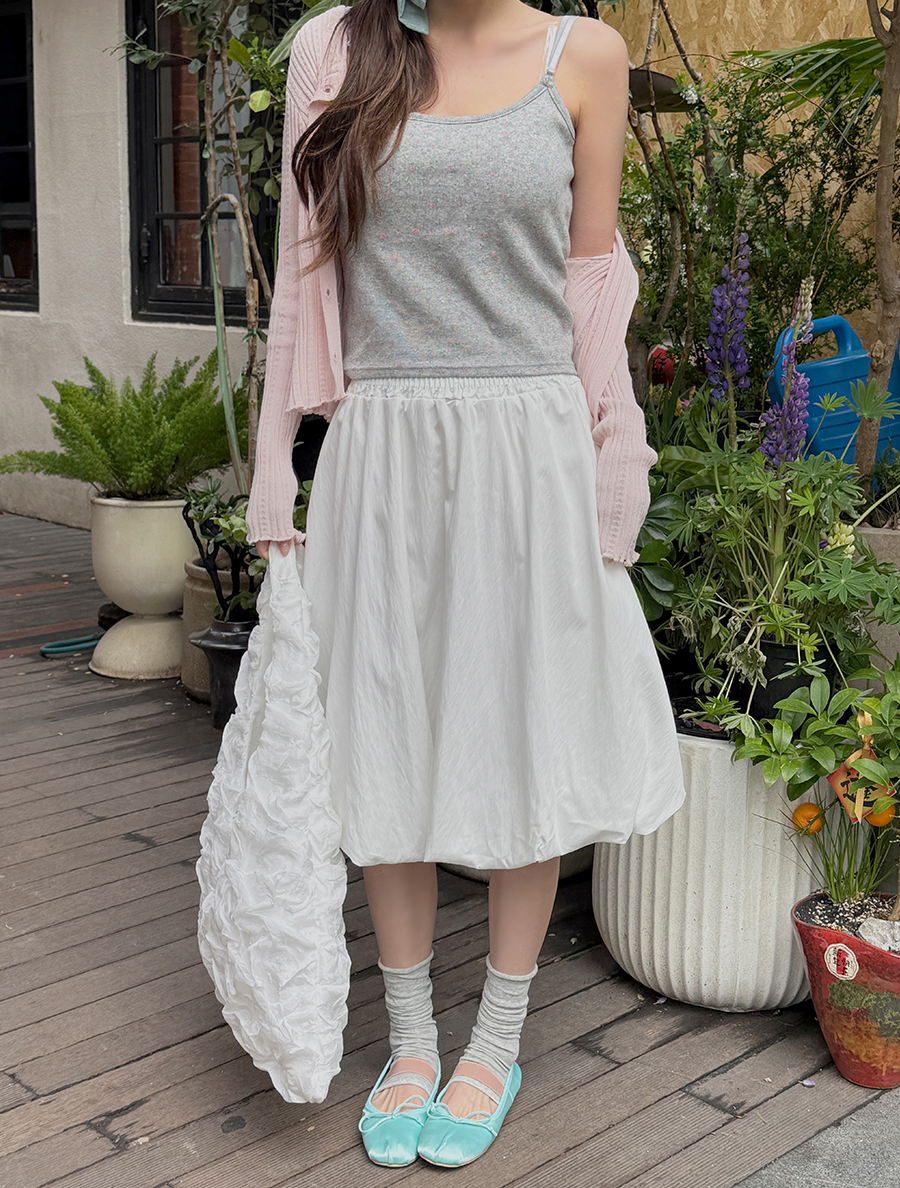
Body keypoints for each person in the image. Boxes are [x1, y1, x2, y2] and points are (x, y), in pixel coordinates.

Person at [245, 0, 685, 1169]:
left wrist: (618, 459)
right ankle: (408, 1040)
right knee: (381, 733)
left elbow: (593, 285)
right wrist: (274, 465)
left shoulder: (584, 57)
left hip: (530, 450)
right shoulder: (336, 47)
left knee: (520, 734)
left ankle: (494, 1041)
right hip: (382, 447)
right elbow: (303, 271)